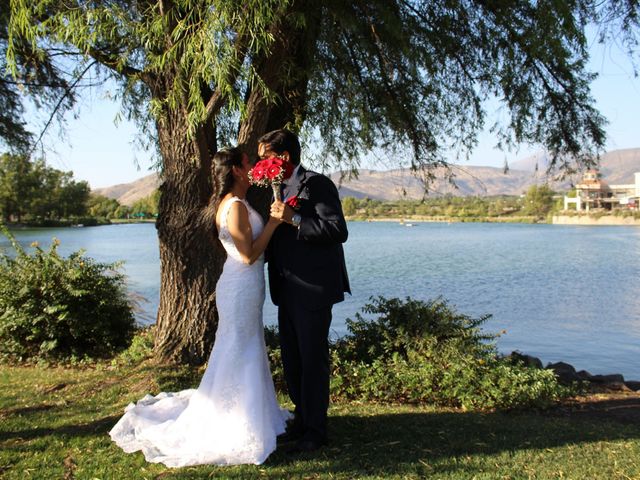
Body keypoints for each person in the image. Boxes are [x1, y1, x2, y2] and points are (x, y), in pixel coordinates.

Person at [109, 147, 290, 467]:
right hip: (240, 285)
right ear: (236, 169)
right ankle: (237, 420)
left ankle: (251, 411)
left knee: (245, 345)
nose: (251, 168)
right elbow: (248, 255)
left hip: (246, 286)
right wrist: (274, 225)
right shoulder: (233, 207)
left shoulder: (239, 203)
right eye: (247, 163)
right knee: (239, 347)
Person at [261, 129, 350, 453]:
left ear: (283, 157)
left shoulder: (317, 184)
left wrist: (295, 217)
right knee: (293, 359)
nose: (261, 164)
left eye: (264, 158)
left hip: (313, 288)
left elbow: (337, 230)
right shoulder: (275, 188)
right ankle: (301, 421)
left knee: (313, 360)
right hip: (286, 287)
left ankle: (316, 430)